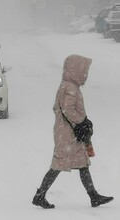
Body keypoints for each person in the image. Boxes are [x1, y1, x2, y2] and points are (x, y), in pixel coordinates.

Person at [32, 54, 113, 209]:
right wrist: (83, 122)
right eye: (84, 70)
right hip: (68, 134)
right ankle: (39, 195)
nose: (85, 74)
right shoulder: (70, 88)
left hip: (69, 132)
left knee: (82, 163)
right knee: (58, 164)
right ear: (76, 70)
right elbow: (68, 109)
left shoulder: (69, 85)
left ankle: (93, 196)